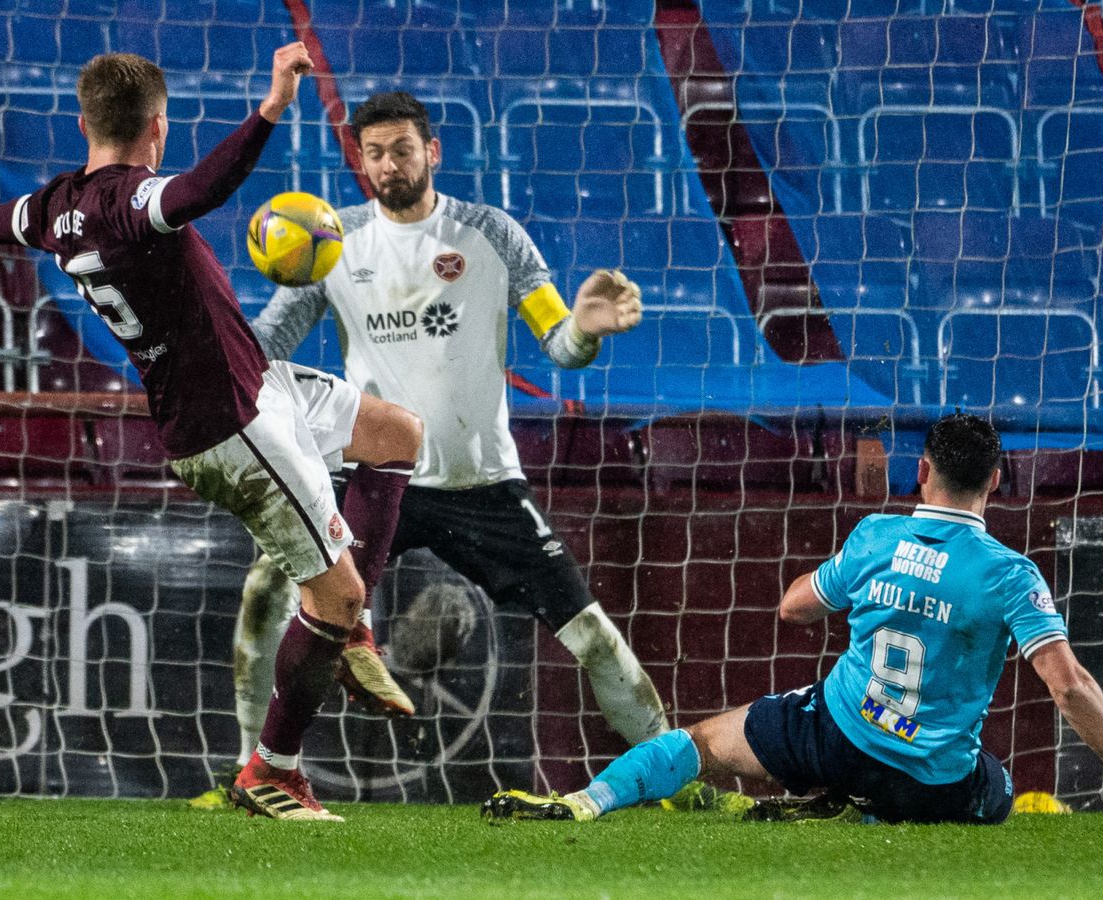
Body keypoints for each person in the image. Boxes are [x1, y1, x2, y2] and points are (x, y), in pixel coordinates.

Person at [0, 45, 424, 822]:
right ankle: (273, 770)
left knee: (396, 432)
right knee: (335, 595)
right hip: (232, 424)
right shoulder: (133, 202)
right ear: (157, 127)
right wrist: (270, 105)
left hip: (256, 383)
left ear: (84, 121)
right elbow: (205, 187)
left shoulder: (58, 206)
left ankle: (347, 630)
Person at [191, 90, 737, 811]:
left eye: (403, 150)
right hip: (373, 479)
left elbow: (561, 344)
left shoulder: (491, 234)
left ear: (432, 152)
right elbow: (263, 349)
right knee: (266, 593)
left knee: (595, 639)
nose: (389, 165)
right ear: (361, 159)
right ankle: (246, 774)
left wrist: (590, 327)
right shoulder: (329, 242)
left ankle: (681, 789)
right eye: (375, 153)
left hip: (481, 483)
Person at [484, 413, 1103, 825]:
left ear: (921, 471)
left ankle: (586, 801)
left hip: (836, 736)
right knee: (1001, 791)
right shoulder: (1011, 575)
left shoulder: (876, 538)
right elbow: (1069, 686)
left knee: (700, 742)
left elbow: (794, 606)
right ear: (994, 480)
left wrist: (857, 584)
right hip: (932, 782)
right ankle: (855, 807)